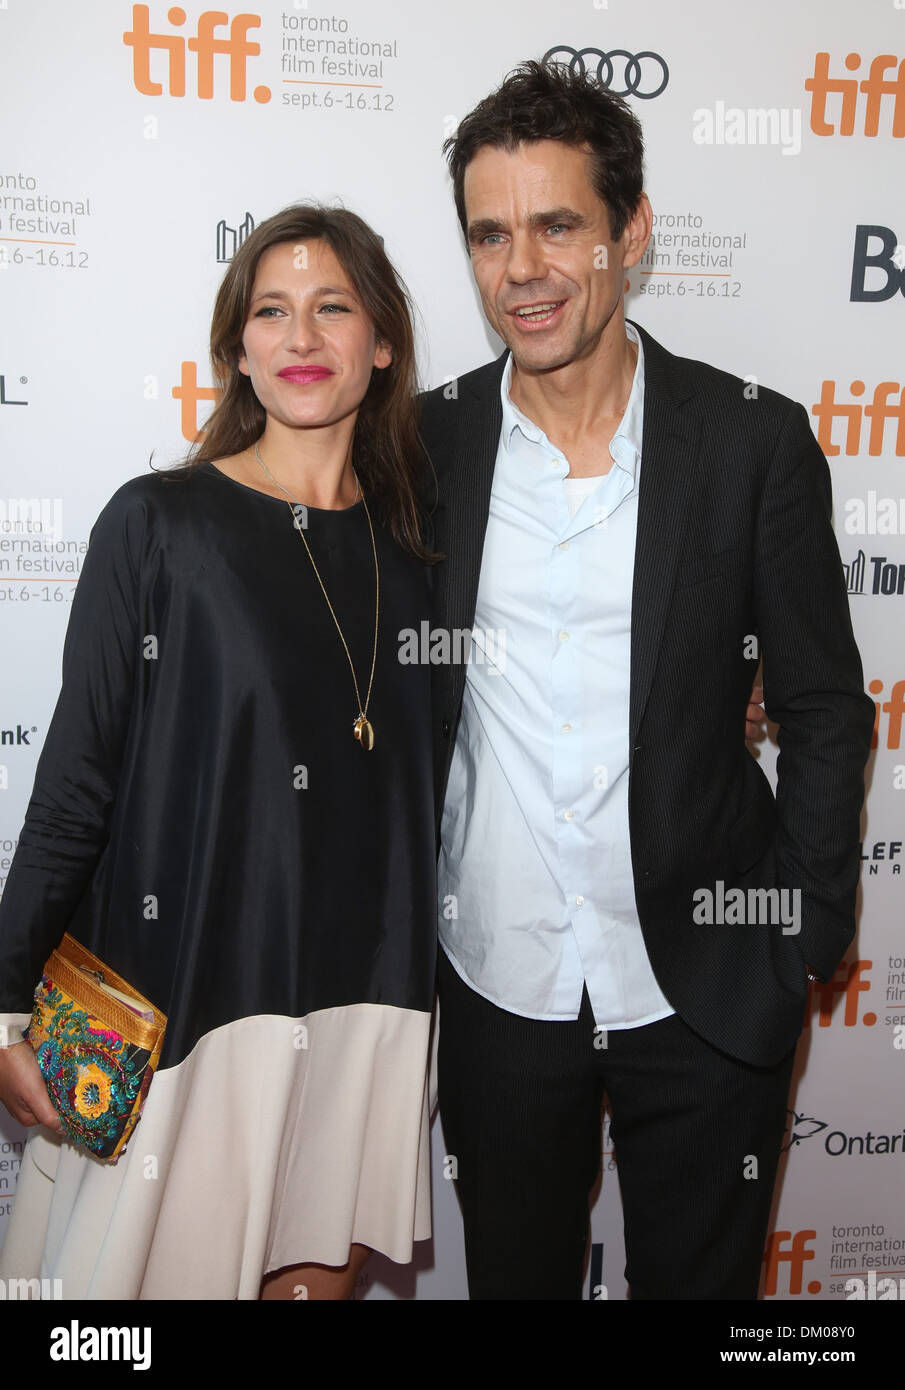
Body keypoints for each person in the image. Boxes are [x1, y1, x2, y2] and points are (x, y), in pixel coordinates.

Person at [419, 60, 874, 1300]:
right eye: (491, 233)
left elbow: (827, 710)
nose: (522, 269)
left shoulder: (749, 441)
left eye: (557, 224)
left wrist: (802, 931)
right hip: (499, 985)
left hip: (708, 984)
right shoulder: (427, 443)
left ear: (631, 232)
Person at [0, 204, 439, 1300]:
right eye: (271, 312)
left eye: (332, 308)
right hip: (187, 1011)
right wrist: (2, 993)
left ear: (381, 341)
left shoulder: (425, 555)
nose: (300, 337)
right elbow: (76, 782)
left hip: (366, 1008)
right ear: (237, 350)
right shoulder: (158, 525)